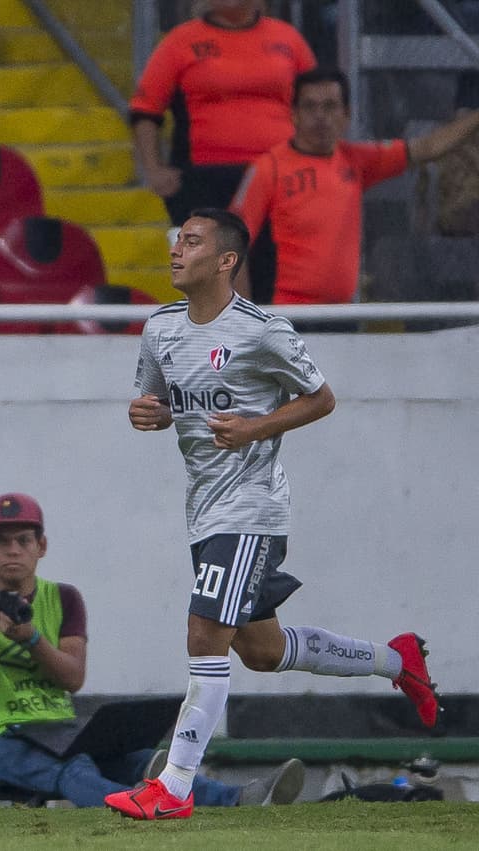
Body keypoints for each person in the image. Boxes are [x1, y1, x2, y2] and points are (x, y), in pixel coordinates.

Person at [107, 208, 439, 821]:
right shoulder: (160, 329)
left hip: (251, 508)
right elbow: (157, 403)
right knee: (260, 650)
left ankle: (173, 787)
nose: (177, 250)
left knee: (204, 632)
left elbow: (322, 398)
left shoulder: (263, 330)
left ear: (226, 260)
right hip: (202, 510)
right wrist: (149, 415)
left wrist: (256, 427)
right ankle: (398, 661)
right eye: (177, 240)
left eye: (192, 241)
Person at [0, 492, 305, 810]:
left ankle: (239, 799)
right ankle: (141, 810)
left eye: (23, 540)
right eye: (2, 542)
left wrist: (31, 639)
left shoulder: (63, 598)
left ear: (42, 546)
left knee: (138, 760)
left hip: (58, 729)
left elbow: (73, 677)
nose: (13, 552)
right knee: (75, 768)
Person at [230, 67, 479, 306]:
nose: (320, 116)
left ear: (346, 115)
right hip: (291, 315)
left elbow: (427, 148)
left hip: (343, 313)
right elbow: (231, 242)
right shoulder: (268, 168)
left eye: (329, 107)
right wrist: (244, 319)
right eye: (310, 107)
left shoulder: (357, 161)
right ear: (293, 114)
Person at [130, 0, 316, 227]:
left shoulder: (287, 38)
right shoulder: (180, 41)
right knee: (217, 260)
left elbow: (318, 102)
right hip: (203, 180)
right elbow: (145, 109)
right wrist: (153, 169)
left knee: (275, 261)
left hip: (280, 175)